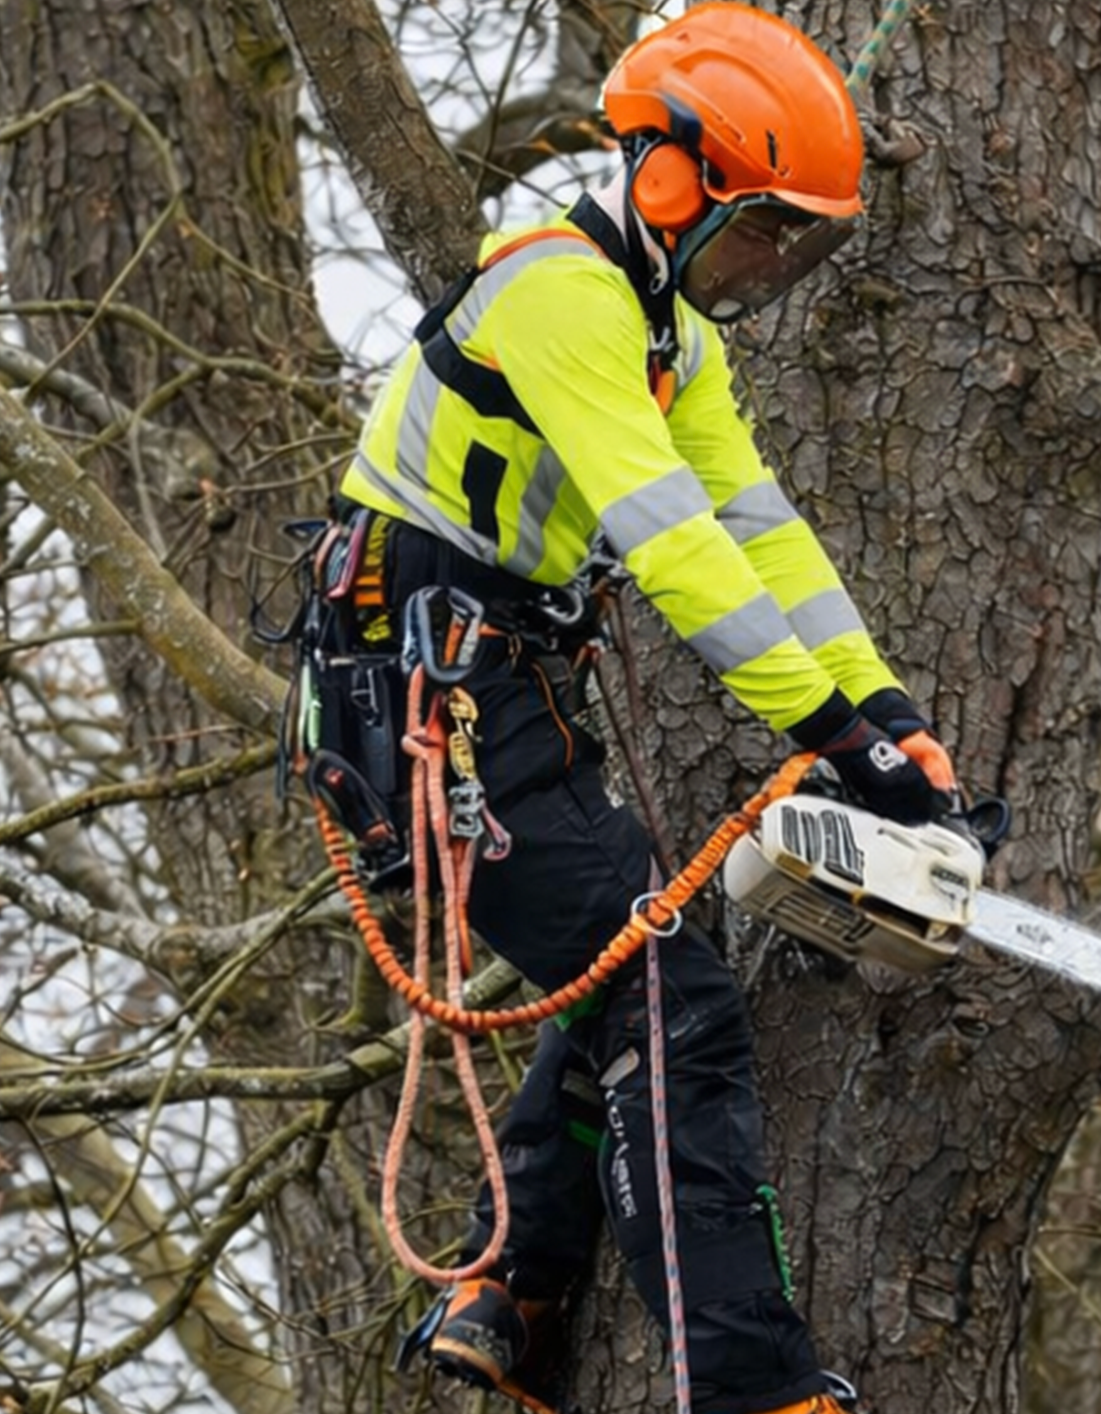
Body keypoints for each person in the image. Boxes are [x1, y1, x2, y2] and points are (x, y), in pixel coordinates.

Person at [309, 7, 957, 1413]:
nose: (768, 264)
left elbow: (761, 531)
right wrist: (827, 734)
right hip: (427, 699)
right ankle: (744, 1381)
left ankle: (512, 1288)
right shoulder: (559, 295)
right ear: (669, 178)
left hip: (500, 687)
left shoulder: (678, 341)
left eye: (794, 242)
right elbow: (672, 544)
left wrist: (883, 710)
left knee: (629, 956)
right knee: (671, 997)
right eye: (763, 228)